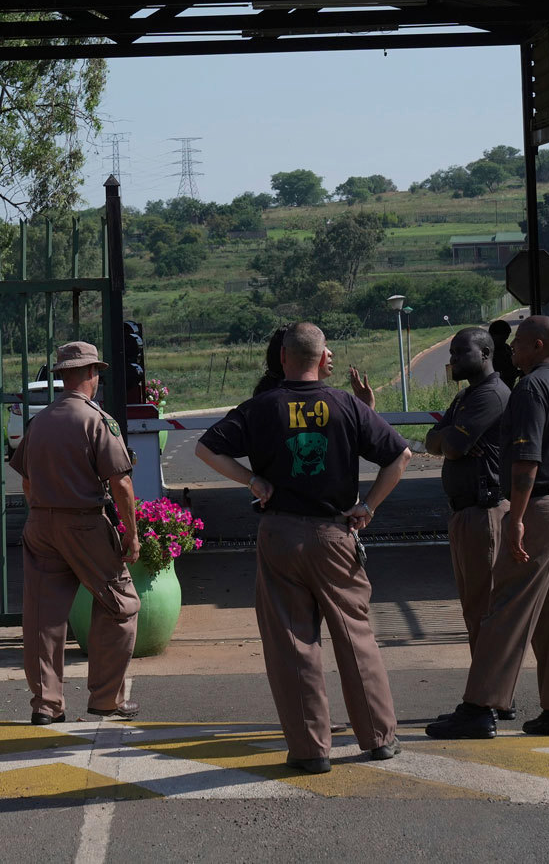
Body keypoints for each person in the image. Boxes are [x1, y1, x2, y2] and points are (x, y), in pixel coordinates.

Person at [195, 321, 411, 774]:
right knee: (355, 636)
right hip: (336, 533)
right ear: (321, 357)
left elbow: (206, 449)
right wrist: (367, 506)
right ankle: (379, 739)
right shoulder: (345, 404)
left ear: (283, 358)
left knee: (293, 642)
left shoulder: (261, 407)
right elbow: (400, 456)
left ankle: (311, 750)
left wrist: (252, 479)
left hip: (280, 534)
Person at [426, 315, 549, 740]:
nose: (511, 348)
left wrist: (516, 518)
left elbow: (527, 460)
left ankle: (480, 707)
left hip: (542, 504)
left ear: (537, 346)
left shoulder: (531, 388)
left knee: (506, 608)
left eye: (518, 342)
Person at [10, 340, 141, 724]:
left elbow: (27, 483)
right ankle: (105, 698)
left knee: (43, 618)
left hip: (40, 524)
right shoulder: (96, 420)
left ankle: (46, 705)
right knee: (120, 604)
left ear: (62, 374)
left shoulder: (41, 421)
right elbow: (121, 483)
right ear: (90, 374)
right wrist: (131, 533)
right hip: (83, 522)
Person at [424, 328, 515, 678]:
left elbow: (452, 448)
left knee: (485, 609)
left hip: (485, 512)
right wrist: (447, 437)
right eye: (452, 352)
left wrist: (449, 439)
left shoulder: (490, 396)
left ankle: (490, 695)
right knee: (473, 609)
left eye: (461, 352)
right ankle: (486, 692)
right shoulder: (465, 398)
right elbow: (434, 441)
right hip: (465, 514)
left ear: (486, 353)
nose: (453, 360)